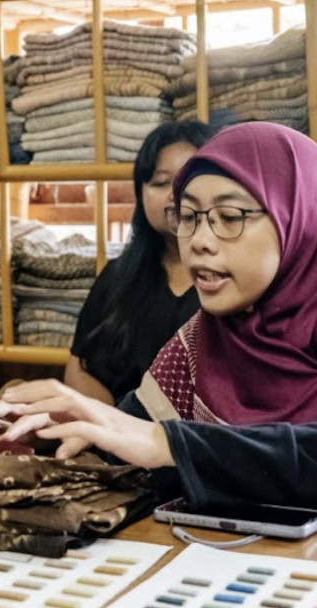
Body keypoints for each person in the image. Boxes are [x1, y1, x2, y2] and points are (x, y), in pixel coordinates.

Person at [0, 122, 317, 533]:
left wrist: (170, 443)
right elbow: (132, 442)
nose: (200, 242)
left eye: (229, 217)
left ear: (300, 217)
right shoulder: (204, 336)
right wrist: (56, 428)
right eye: (188, 218)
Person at [67, 121, 216, 404]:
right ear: (140, 193)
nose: (176, 192)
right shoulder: (119, 275)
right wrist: (117, 428)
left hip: (205, 441)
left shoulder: (238, 276)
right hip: (116, 439)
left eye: (189, 178)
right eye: (161, 182)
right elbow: (80, 368)